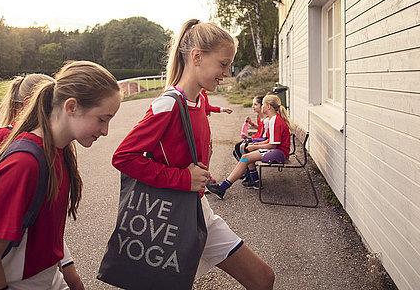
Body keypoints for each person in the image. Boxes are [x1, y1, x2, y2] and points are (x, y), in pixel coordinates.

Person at [112, 19, 275, 290]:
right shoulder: (167, 104)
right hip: (171, 216)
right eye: (223, 64)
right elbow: (124, 157)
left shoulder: (199, 100)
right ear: (197, 56)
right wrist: (182, 179)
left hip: (197, 210)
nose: (227, 72)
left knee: (263, 278)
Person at [0, 60, 121, 290]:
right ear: (71, 107)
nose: (105, 131)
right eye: (102, 119)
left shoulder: (59, 152)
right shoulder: (24, 164)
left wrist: (70, 276)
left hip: (47, 278)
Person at [0, 73, 85, 289]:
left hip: (38, 236)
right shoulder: (10, 140)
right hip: (14, 240)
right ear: (30, 103)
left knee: (74, 279)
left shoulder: (53, 143)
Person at [207, 94, 291, 197]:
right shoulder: (273, 119)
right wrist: (255, 144)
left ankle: (223, 188)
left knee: (246, 157)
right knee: (247, 153)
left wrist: (255, 146)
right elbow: (270, 140)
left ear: (269, 106)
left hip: (280, 154)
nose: (262, 106)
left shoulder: (275, 120)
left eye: (263, 104)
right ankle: (253, 180)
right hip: (276, 151)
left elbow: (273, 145)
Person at [233, 95, 267, 184]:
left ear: (262, 105)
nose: (253, 107)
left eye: (255, 104)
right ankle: (247, 171)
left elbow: (265, 134)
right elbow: (260, 129)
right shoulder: (260, 116)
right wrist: (251, 124)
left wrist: (252, 141)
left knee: (240, 148)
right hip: (258, 138)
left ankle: (251, 175)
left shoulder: (266, 118)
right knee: (237, 149)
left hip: (262, 140)